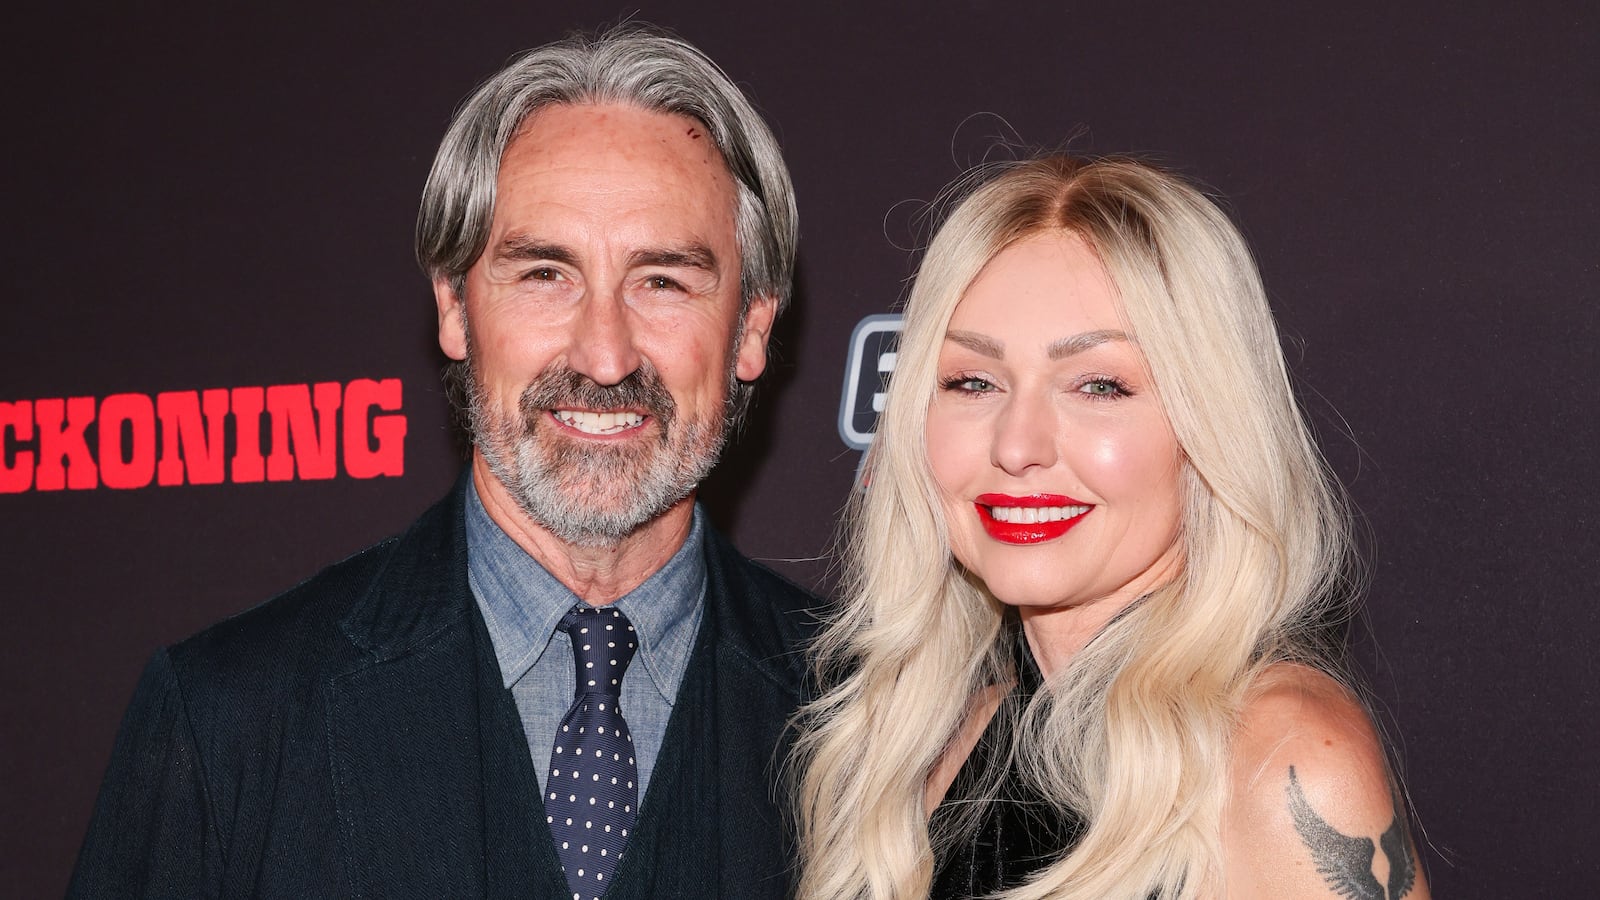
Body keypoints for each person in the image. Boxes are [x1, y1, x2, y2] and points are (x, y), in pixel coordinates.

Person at [70, 24, 814, 900]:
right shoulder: (223, 719)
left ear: (752, 329)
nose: (605, 355)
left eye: (663, 281)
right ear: (455, 309)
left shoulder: (888, 725)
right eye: (545, 274)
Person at [794, 155, 1429, 899]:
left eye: (1099, 385)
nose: (1017, 445)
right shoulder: (931, 742)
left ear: (1208, 428)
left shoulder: (1282, 760)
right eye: (973, 381)